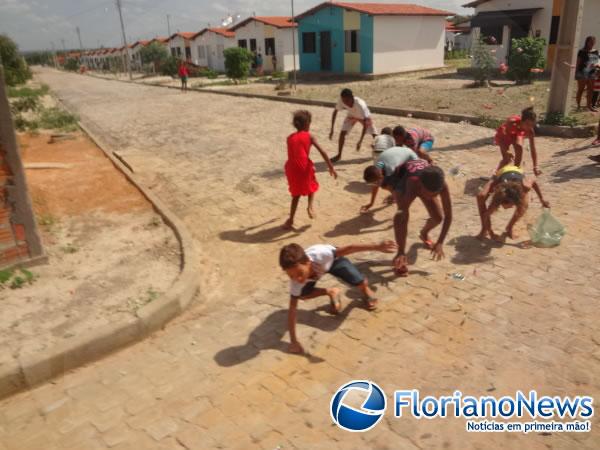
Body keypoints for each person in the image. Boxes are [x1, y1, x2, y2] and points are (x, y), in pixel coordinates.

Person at [279, 240, 397, 354]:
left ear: (308, 262)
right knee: (301, 294)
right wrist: (293, 341)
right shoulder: (296, 281)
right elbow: (292, 311)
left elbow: (350, 248)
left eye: (299, 273)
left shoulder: (322, 254)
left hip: (333, 261)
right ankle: (330, 292)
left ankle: (366, 290)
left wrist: (377, 246)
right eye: (291, 276)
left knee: (358, 281)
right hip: (316, 271)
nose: (297, 279)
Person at [392, 160, 452, 276]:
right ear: (421, 185)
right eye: (429, 193)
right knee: (403, 214)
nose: (431, 197)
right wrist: (400, 252)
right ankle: (400, 257)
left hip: (420, 180)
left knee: (438, 217)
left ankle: (424, 233)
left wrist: (440, 242)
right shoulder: (412, 183)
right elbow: (400, 217)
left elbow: (448, 217)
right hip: (400, 180)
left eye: (435, 194)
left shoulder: (442, 186)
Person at [284, 110, 337, 230]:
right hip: (303, 166)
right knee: (312, 185)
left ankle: (291, 220)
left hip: (291, 168)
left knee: (296, 195)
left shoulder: (289, 138)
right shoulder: (309, 136)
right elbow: (322, 152)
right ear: (307, 124)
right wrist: (331, 167)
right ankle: (310, 206)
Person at [477, 165, 550, 240]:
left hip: (517, 171)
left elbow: (533, 182)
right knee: (481, 196)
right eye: (506, 205)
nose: (510, 207)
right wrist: (491, 232)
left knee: (524, 206)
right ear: (500, 201)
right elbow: (486, 215)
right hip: (501, 173)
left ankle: (509, 227)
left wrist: (542, 200)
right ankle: (484, 230)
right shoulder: (498, 195)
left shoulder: (525, 187)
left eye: (511, 205)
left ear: (515, 201)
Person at [361, 146, 419, 212]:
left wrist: (396, 200)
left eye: (376, 181)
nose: (375, 183)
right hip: (401, 152)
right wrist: (371, 203)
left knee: (401, 185)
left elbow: (393, 187)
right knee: (385, 185)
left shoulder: (389, 170)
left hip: (411, 158)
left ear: (381, 176)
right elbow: (375, 186)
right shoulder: (376, 167)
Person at [329, 88, 377, 163]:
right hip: (351, 115)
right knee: (342, 133)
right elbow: (335, 112)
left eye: (347, 101)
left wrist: (360, 141)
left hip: (363, 117)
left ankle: (381, 149)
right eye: (344, 101)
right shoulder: (342, 100)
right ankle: (339, 155)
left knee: (375, 135)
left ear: (352, 98)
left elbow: (365, 123)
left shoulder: (360, 105)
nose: (345, 103)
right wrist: (332, 129)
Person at [495, 107, 541, 176]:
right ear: (522, 121)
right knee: (506, 159)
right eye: (527, 124)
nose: (529, 127)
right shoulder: (511, 123)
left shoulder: (530, 131)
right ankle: (496, 175)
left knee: (519, 148)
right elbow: (501, 140)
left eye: (532, 125)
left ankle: (515, 172)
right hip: (504, 136)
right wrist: (506, 151)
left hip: (516, 134)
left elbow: (533, 149)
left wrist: (535, 166)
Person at [576, 36, 599, 112]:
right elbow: (578, 63)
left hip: (592, 73)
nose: (592, 43)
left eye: (593, 42)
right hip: (582, 73)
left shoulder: (596, 51)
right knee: (581, 90)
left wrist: (595, 66)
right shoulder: (581, 51)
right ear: (587, 42)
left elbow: (596, 61)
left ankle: (589, 106)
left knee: (590, 90)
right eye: (590, 42)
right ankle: (578, 106)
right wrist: (576, 73)